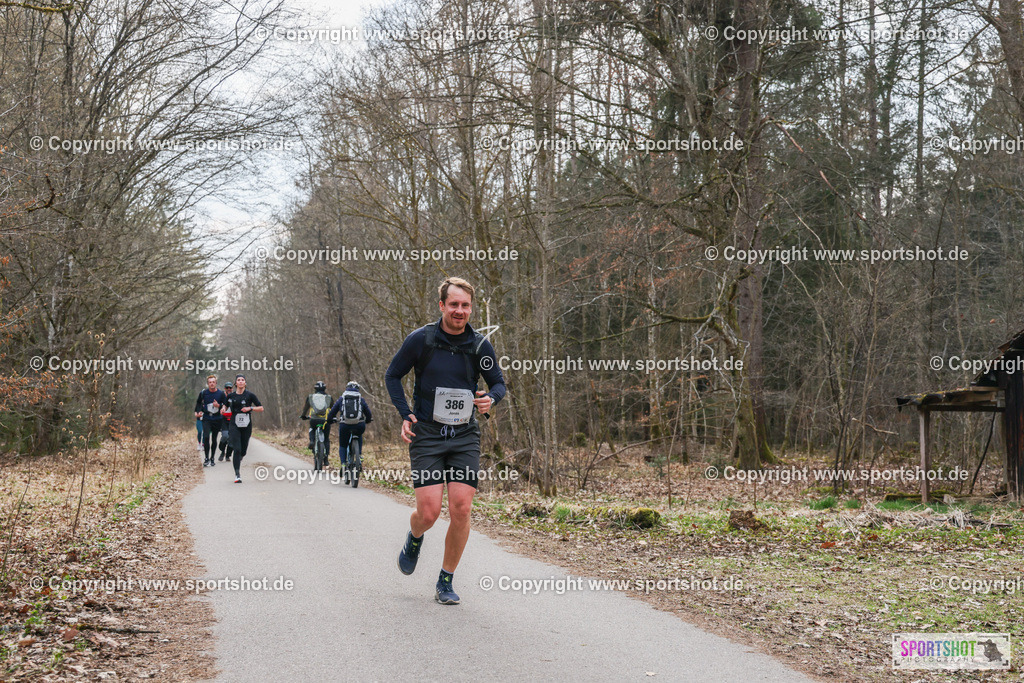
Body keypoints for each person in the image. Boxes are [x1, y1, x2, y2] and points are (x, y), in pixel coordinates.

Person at [384, 277, 505, 605]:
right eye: (454, 304)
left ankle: (445, 579)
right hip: (427, 434)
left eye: (465, 305)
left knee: (462, 508)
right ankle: (415, 536)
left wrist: (490, 399)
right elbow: (393, 375)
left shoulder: (479, 346)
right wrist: (405, 413)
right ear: (441, 306)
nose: (460, 311)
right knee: (429, 512)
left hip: (464, 435)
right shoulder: (421, 341)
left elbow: (498, 383)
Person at [221, 375, 263, 483]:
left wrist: (251, 408)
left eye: (242, 380)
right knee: (237, 449)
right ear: (236, 383)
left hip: (246, 424)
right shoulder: (231, 396)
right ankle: (237, 475)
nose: (240, 382)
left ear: (245, 383)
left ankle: (240, 456)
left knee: (243, 450)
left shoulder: (250, 395)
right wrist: (223, 409)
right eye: (238, 380)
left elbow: (261, 408)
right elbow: (225, 406)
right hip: (234, 424)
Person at [326, 381, 372, 474]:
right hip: (359, 424)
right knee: (359, 435)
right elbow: (368, 412)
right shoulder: (360, 399)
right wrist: (368, 420)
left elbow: (332, 412)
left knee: (343, 445)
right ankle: (359, 455)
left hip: (345, 425)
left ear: (346, 388)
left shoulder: (342, 398)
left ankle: (343, 464)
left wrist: (330, 420)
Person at [194, 375, 226, 467]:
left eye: (213, 382)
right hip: (207, 418)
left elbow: (225, 405)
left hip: (217, 418)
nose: (212, 384)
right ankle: (206, 458)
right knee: (206, 437)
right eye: (210, 382)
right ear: (208, 384)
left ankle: (212, 458)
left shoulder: (221, 394)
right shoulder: (203, 393)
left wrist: (219, 406)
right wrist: (198, 411)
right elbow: (199, 403)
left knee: (214, 438)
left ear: (216, 383)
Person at [299, 381, 334, 459]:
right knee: (326, 439)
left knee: (312, 428)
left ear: (315, 389)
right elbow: (333, 409)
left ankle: (312, 441)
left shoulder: (311, 397)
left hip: (314, 420)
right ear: (324, 389)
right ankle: (326, 459)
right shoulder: (329, 397)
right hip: (325, 421)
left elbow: (305, 409)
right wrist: (333, 418)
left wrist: (303, 416)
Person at [218, 381, 234, 462]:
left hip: (233, 420)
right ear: (224, 388)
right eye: (227, 388)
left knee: (232, 439)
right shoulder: (221, 396)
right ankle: (222, 451)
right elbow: (218, 406)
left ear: (232, 388)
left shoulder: (234, 396)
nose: (228, 389)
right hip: (223, 420)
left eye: (230, 388)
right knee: (225, 436)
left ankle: (228, 455)